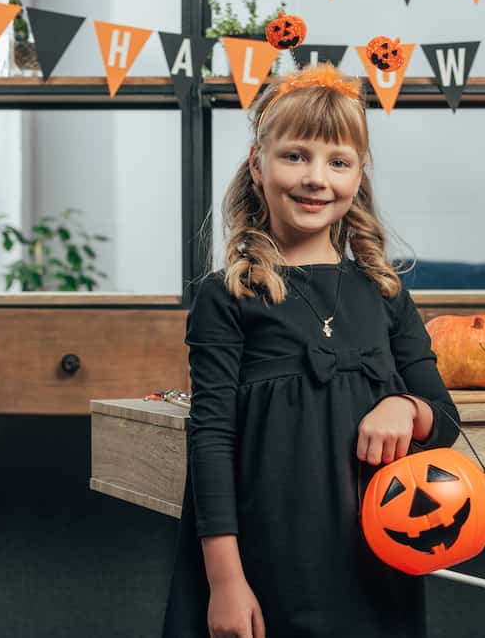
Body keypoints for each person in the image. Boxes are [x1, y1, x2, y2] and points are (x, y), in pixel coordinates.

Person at [161, 63, 461, 638]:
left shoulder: (385, 294)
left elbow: (443, 418)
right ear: (258, 164)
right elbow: (212, 438)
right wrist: (225, 580)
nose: (316, 178)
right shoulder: (227, 296)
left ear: (357, 176)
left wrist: (406, 407)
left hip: (373, 564)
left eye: (337, 162)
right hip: (263, 559)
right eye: (295, 155)